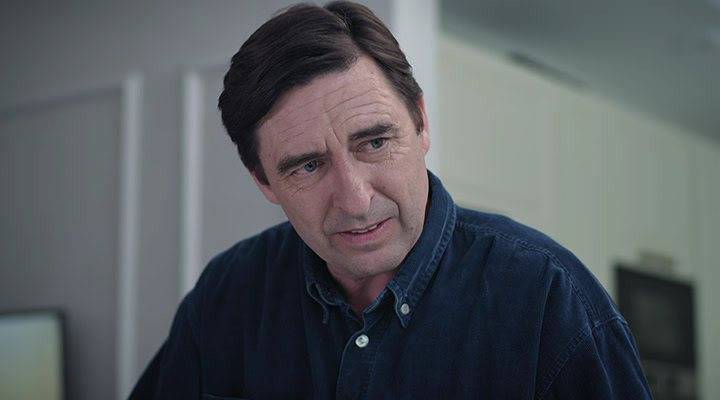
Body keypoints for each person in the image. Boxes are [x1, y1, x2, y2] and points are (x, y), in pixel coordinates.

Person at [130, 2, 652, 399]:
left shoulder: (552, 300)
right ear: (264, 181)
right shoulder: (229, 293)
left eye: (375, 142)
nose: (356, 200)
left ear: (421, 123)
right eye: (308, 166)